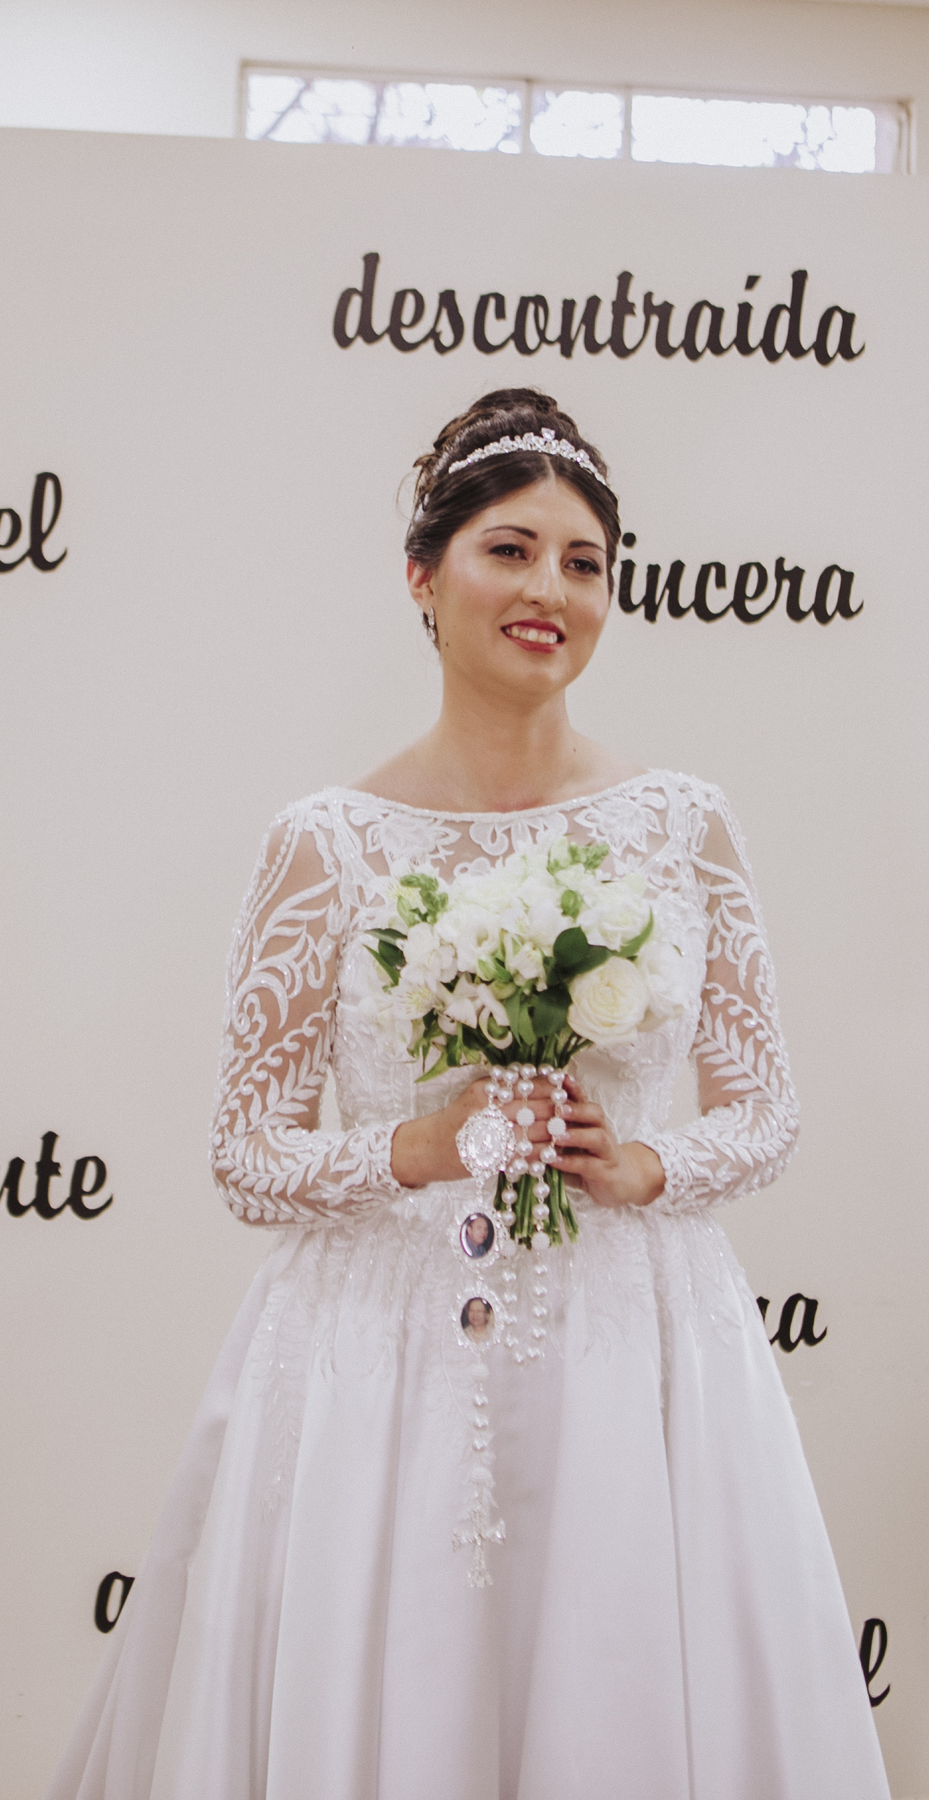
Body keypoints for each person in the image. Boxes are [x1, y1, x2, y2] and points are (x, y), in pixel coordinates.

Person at [45, 388, 890, 1800]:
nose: (551, 589)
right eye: (511, 550)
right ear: (422, 577)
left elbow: (766, 1111)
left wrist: (650, 1167)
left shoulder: (683, 825)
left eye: (584, 563)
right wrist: (418, 1148)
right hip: (382, 1362)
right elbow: (247, 1154)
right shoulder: (326, 843)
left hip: (634, 1344)